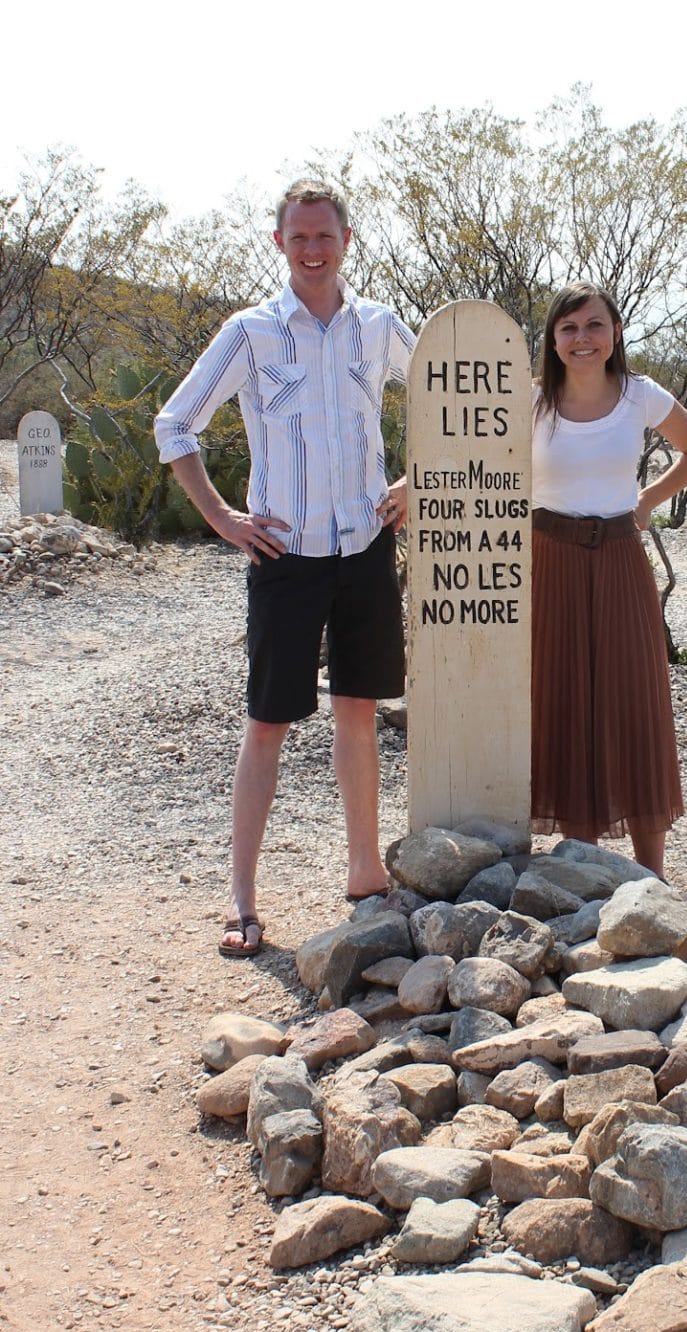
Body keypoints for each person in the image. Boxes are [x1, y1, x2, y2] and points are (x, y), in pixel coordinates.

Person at [154, 178, 415, 957]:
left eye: (324, 235)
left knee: (359, 713)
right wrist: (225, 520)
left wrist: (417, 478)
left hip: (364, 547)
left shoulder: (378, 327)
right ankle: (241, 898)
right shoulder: (253, 331)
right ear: (280, 243)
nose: (312, 249)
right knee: (267, 723)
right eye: (298, 236)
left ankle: (365, 872)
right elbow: (175, 423)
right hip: (284, 556)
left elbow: (448, 393)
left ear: (346, 240)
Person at [530, 282, 687, 881]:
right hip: (547, 558)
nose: (582, 339)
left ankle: (652, 874)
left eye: (594, 326)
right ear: (553, 339)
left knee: (633, 702)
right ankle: (579, 867)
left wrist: (646, 501)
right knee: (560, 699)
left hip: (618, 557)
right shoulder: (530, 403)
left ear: (614, 333)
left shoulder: (640, 395)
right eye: (569, 328)